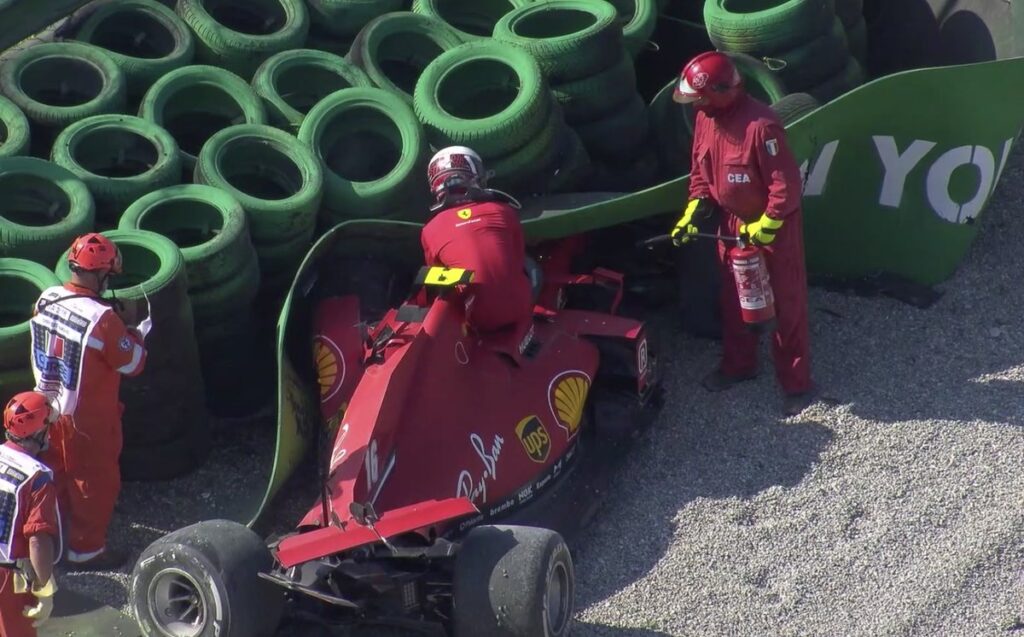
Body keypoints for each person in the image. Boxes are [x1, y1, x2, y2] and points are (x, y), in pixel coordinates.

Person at [670, 51, 815, 416]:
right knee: (735, 298)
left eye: (699, 98)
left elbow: (787, 187)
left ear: (721, 92)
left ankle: (796, 383)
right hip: (730, 226)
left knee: (786, 304)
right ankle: (739, 365)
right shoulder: (705, 119)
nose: (695, 105)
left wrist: (765, 226)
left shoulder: (761, 127)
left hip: (772, 228)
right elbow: (700, 176)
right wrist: (692, 212)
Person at [29, 233, 147, 571]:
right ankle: (87, 551)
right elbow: (134, 362)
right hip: (88, 418)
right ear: (101, 274)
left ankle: (55, 534)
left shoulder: (46, 298)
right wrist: (131, 327)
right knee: (94, 482)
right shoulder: (104, 321)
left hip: (47, 406)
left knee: (56, 474)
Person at [420, 146, 534, 333]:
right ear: (477, 175)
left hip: (475, 319)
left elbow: (439, 280)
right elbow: (518, 257)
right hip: (521, 307)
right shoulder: (503, 211)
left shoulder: (429, 230)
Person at [0, 392, 62, 637]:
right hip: (7, 578)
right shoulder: (37, 479)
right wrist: (44, 589)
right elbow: (38, 539)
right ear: (39, 432)